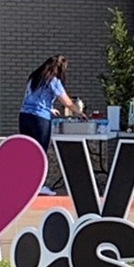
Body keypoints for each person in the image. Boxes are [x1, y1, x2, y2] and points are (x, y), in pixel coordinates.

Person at [18, 55, 85, 195]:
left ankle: (25, 183)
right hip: (39, 119)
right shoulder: (53, 81)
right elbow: (66, 102)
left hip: (24, 116)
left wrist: (49, 108)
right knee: (40, 152)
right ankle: (39, 185)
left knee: (27, 150)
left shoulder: (34, 78)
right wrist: (79, 112)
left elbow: (32, 98)